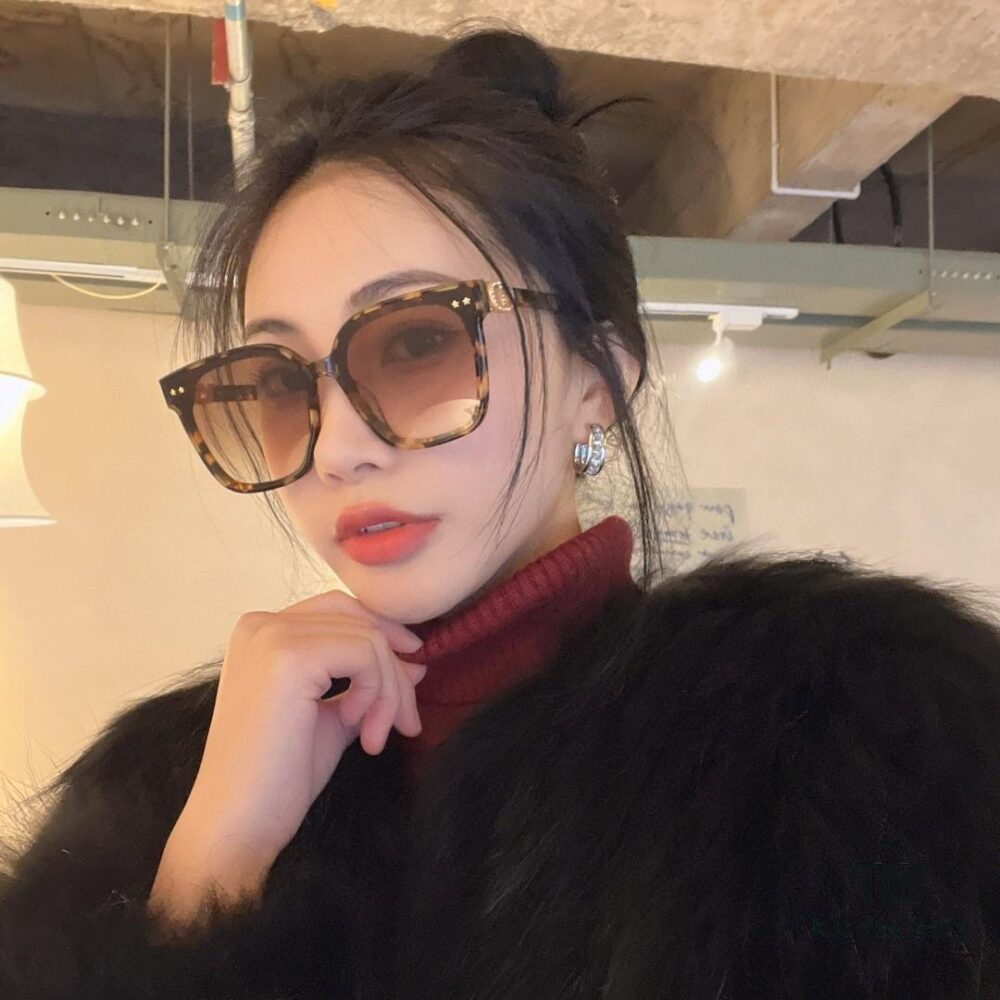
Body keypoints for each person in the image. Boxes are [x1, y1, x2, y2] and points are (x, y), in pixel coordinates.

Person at [3, 22, 1000, 1000]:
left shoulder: (854, 747)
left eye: (416, 343)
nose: (338, 448)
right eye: (276, 380)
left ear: (597, 381)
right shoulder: (168, 784)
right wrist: (208, 869)